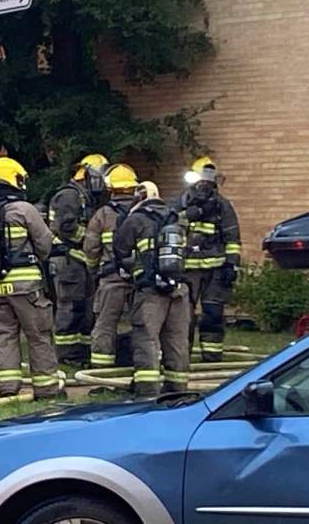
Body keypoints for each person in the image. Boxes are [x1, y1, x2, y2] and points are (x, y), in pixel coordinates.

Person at [0, 155, 60, 398]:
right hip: (26, 287)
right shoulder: (24, 210)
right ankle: (47, 388)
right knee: (38, 334)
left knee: (5, 336)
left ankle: (8, 390)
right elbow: (44, 243)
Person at [113, 187, 190, 397]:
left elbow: (120, 250)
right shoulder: (176, 218)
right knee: (177, 340)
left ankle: (147, 391)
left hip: (150, 292)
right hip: (179, 290)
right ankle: (178, 389)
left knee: (146, 339)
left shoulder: (135, 220)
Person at [175, 156, 242, 362]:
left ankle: (212, 354)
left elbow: (233, 237)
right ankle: (179, 355)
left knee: (213, 312)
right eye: (201, 182)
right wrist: (190, 214)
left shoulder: (223, 206)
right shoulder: (181, 202)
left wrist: (232, 265)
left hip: (216, 270)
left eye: (208, 182)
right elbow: (169, 224)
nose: (205, 186)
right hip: (187, 270)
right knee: (183, 315)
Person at [48, 153, 109, 365]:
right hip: (68, 260)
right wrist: (91, 238)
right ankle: (66, 355)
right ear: (88, 174)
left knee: (85, 309)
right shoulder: (69, 196)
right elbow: (65, 228)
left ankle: (81, 353)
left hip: (80, 261)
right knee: (70, 307)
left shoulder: (86, 197)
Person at [83, 164, 139, 368]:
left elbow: (91, 249)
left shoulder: (102, 215)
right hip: (138, 278)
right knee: (142, 323)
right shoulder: (141, 213)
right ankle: (141, 362)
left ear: (110, 188)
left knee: (105, 323)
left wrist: (93, 271)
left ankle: (101, 367)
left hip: (110, 278)